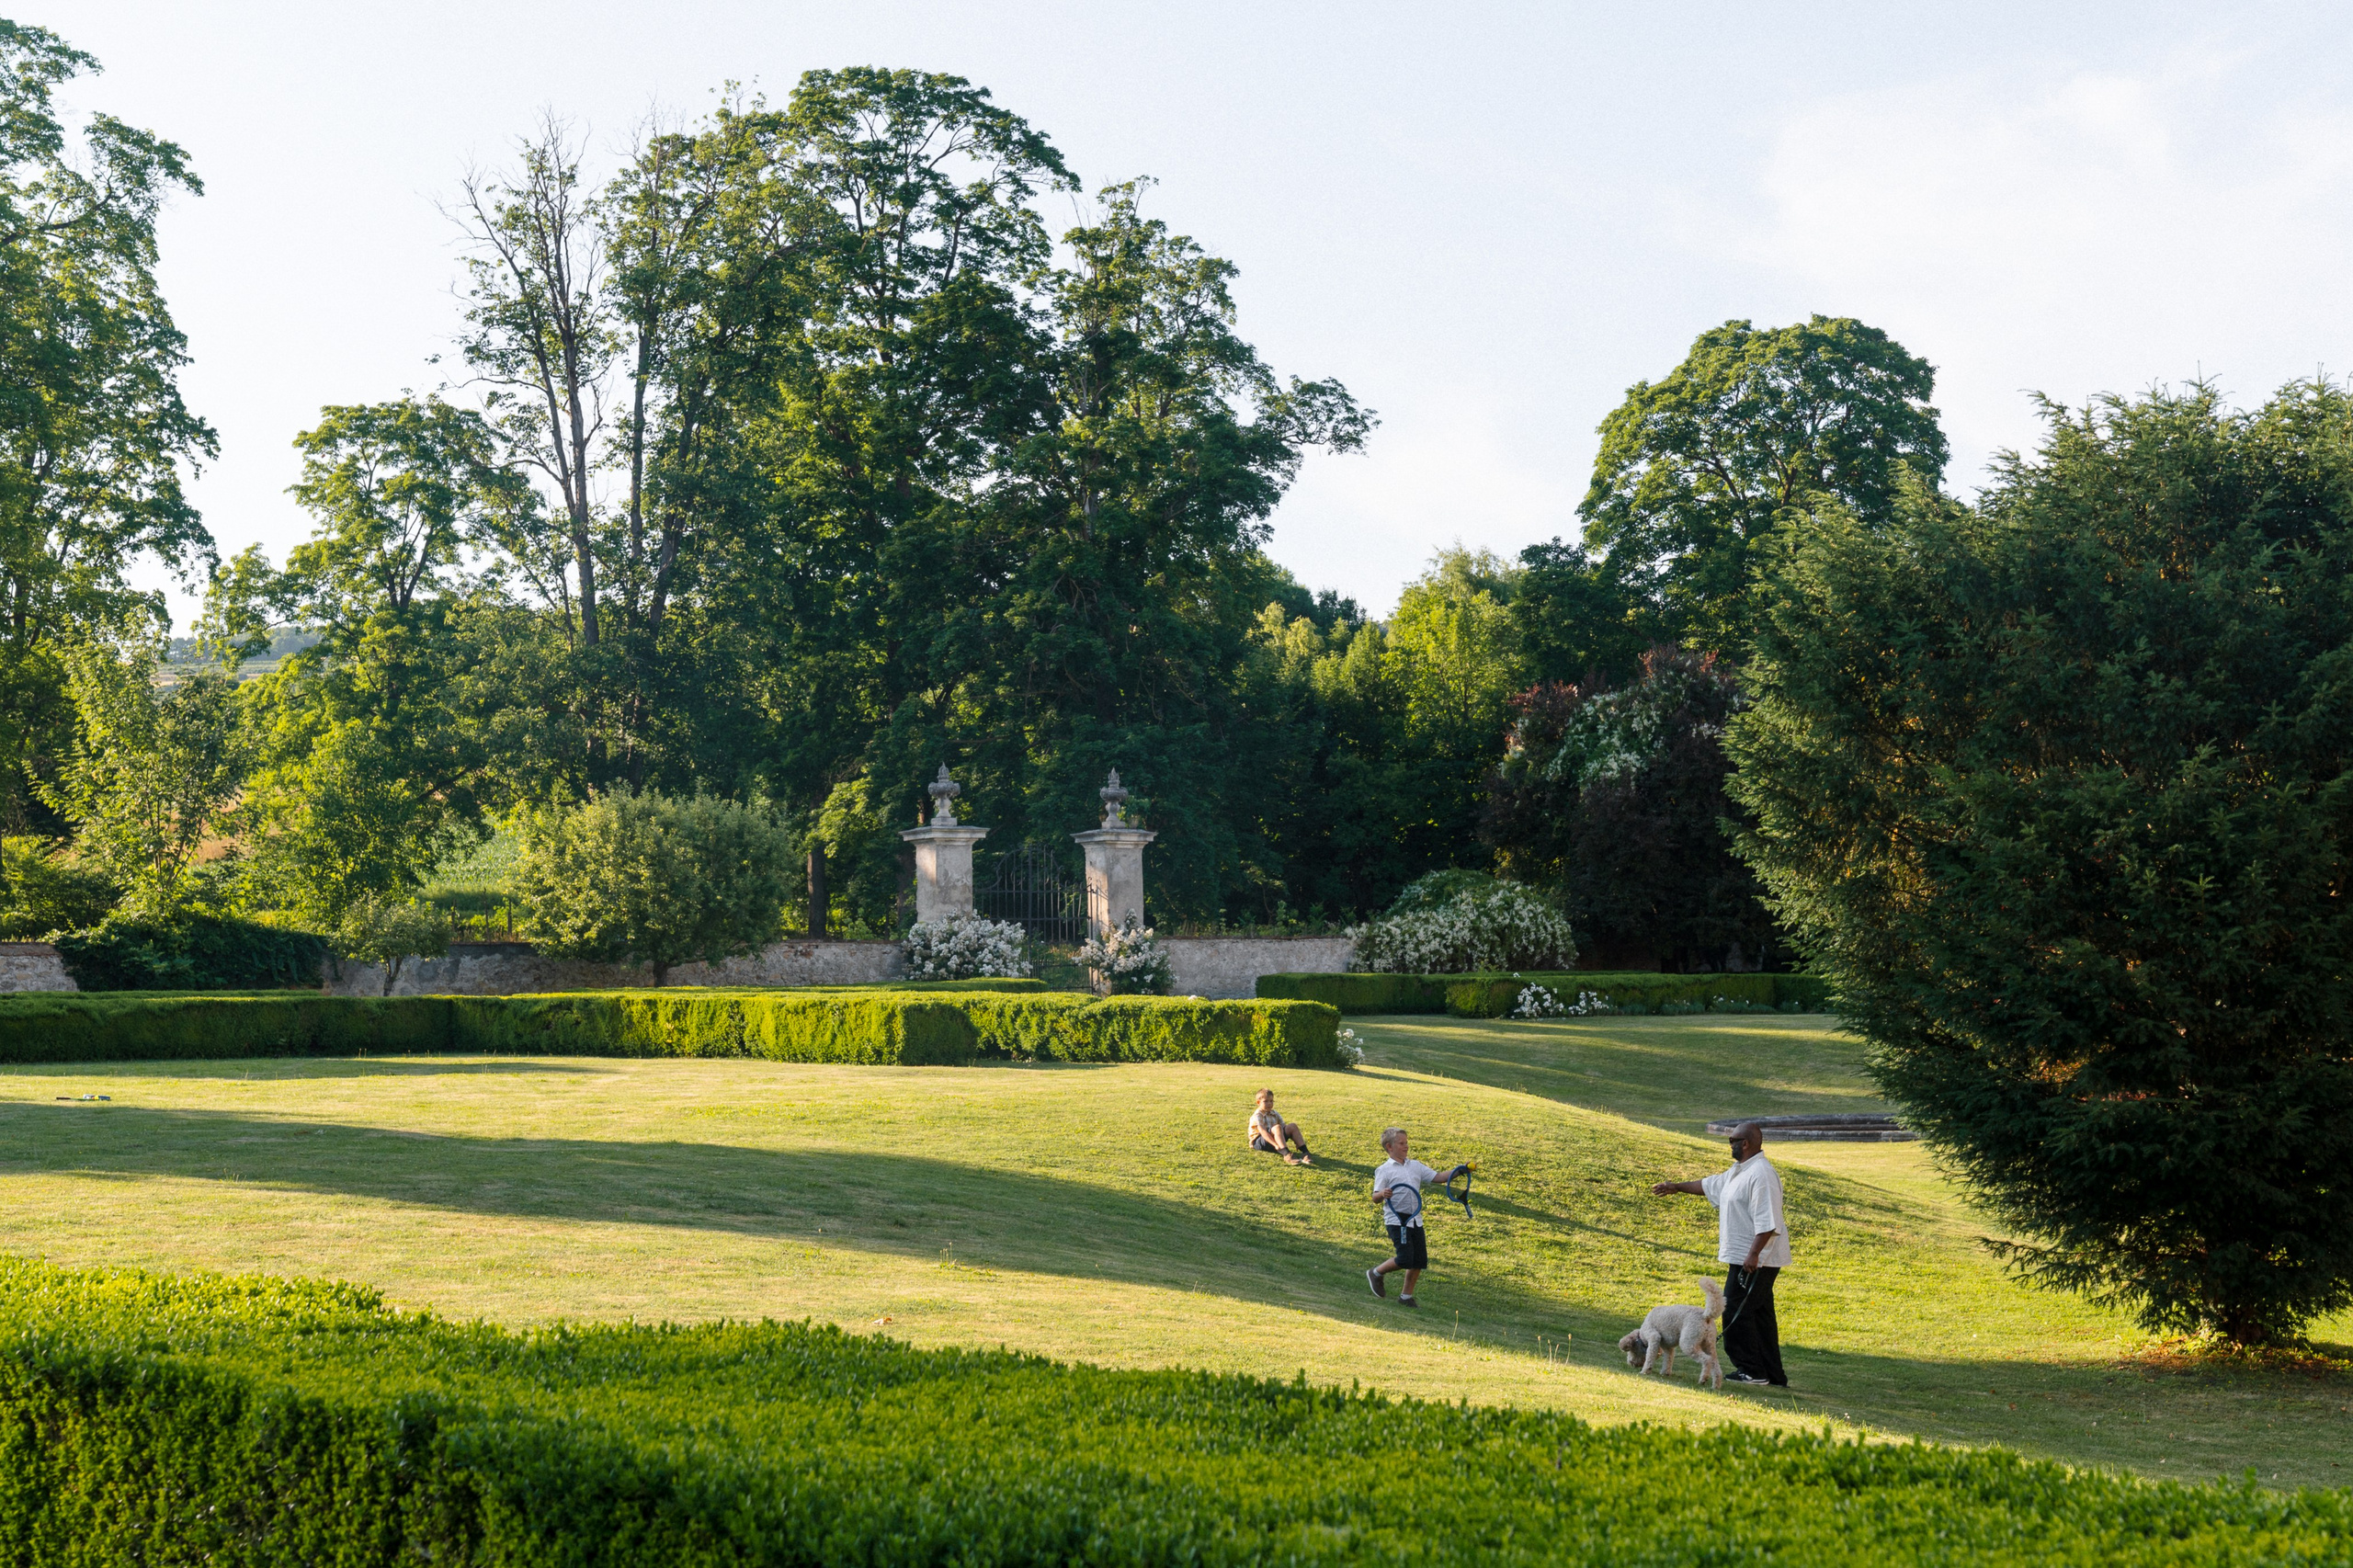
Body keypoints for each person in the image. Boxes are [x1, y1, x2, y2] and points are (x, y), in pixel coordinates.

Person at [1649, 1119, 1790, 1387]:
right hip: (1745, 1258)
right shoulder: (1740, 1171)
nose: (1730, 1145)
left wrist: (1754, 1255)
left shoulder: (1761, 1174)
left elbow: (1768, 1221)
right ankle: (1773, 1375)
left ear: (1745, 1143)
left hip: (1755, 1260)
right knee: (1761, 1316)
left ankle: (1751, 1370)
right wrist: (1676, 1187)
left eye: (1732, 1141)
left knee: (1735, 1311)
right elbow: (1709, 1185)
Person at [1366, 1126, 1461, 1310]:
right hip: (1397, 1219)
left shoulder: (1415, 1166)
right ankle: (1376, 1273)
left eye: (1406, 1143)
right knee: (1404, 1259)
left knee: (1418, 1260)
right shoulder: (1384, 1170)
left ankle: (1406, 1297)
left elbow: (1439, 1177)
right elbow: (1375, 1197)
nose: (1406, 1146)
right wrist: (1383, 1194)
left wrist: (1460, 1170)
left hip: (1415, 1219)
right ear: (1389, 1147)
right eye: (1401, 1143)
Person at [1245, 1088, 1312, 1165]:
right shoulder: (1258, 1115)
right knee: (1277, 1127)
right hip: (1260, 1142)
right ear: (1258, 1102)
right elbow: (1263, 1132)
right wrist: (1275, 1145)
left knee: (1292, 1126)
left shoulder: (1274, 1113)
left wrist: (1294, 1138)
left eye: (1271, 1101)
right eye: (1266, 1101)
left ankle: (1305, 1152)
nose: (1269, 1103)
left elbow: (1284, 1128)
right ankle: (1286, 1154)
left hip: (1274, 1139)